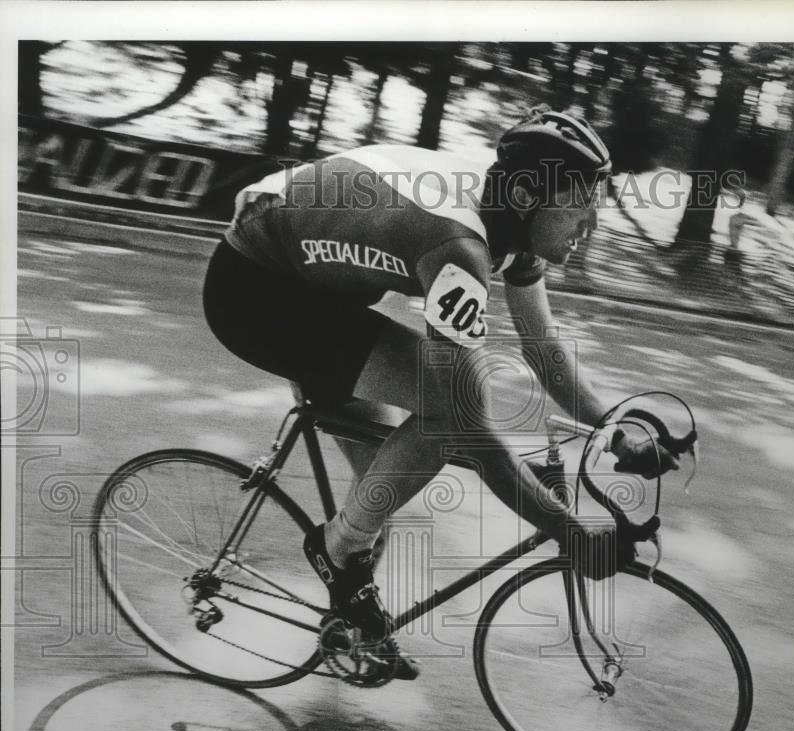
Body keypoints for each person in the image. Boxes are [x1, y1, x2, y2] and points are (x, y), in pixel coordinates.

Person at [203, 106, 675, 675]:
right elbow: (464, 424)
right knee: (448, 411)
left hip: (316, 281)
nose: (592, 225)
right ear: (530, 197)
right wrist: (569, 533)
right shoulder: (459, 248)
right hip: (256, 294)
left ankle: (347, 623)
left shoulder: (513, 224)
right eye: (581, 204)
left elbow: (544, 349)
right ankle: (337, 551)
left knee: (382, 489)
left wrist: (612, 425)